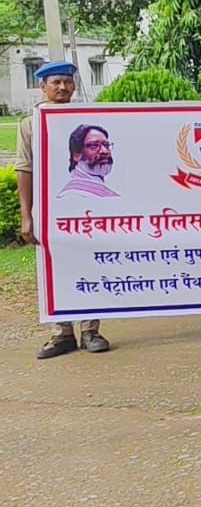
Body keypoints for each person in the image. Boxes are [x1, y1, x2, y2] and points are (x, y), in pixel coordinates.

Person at [16, 61, 111, 358]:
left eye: (67, 82)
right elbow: (24, 169)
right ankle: (62, 334)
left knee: (89, 263)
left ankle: (90, 331)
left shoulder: (84, 120)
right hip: (49, 210)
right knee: (53, 267)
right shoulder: (30, 124)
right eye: (55, 82)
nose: (62, 88)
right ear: (42, 87)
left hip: (85, 207)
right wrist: (27, 215)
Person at [57, 125, 120, 199]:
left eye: (106, 145)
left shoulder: (106, 187)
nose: (105, 151)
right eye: (94, 145)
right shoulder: (72, 196)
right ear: (76, 155)